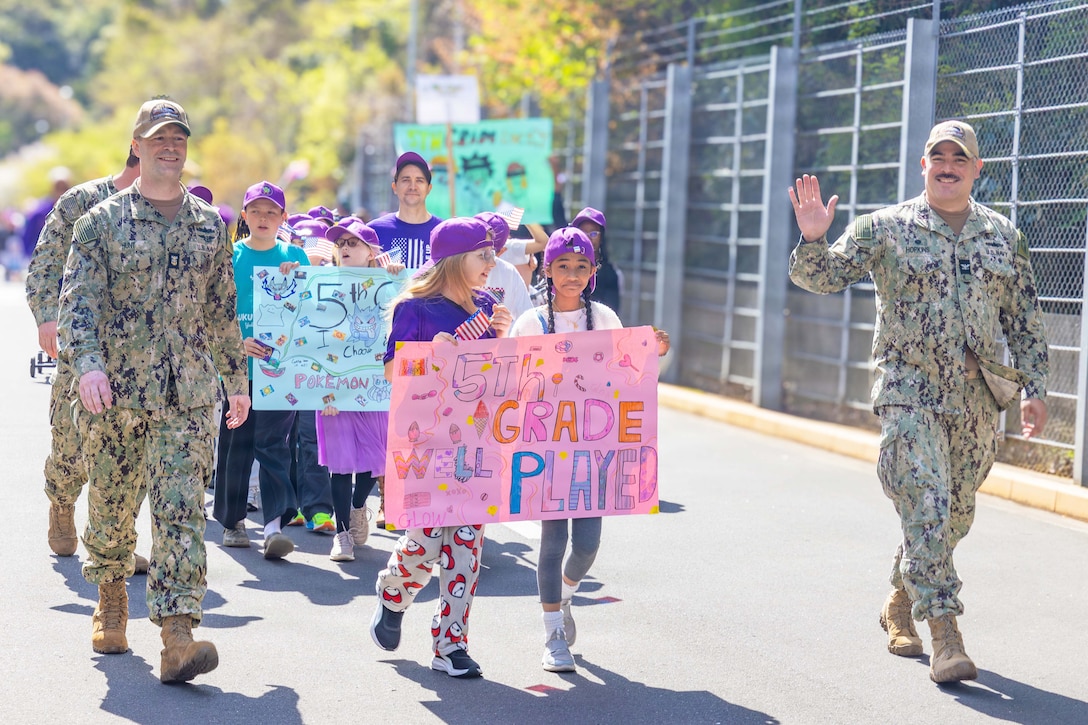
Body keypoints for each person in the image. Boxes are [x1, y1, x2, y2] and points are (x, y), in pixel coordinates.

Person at [787, 120, 1049, 684]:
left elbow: (1024, 320)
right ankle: (946, 633)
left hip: (978, 399)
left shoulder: (1005, 236)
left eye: (960, 157)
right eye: (938, 156)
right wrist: (813, 237)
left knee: (953, 515)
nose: (948, 164)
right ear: (923, 165)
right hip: (908, 392)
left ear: (977, 169)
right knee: (926, 503)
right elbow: (823, 278)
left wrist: (1034, 390)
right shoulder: (886, 228)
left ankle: (899, 602)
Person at [58, 98, 250, 683]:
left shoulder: (207, 226)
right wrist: (88, 365)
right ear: (136, 145)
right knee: (113, 507)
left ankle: (177, 635)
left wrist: (235, 380)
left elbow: (221, 310)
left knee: (182, 512)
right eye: (158, 137)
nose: (170, 147)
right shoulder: (100, 222)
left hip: (188, 396)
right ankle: (111, 596)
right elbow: (78, 304)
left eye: (179, 139)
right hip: (115, 395)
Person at [509, 227, 670, 672]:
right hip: (546, 449)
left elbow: (627, 376)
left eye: (582, 267)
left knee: (587, 544)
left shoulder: (605, 319)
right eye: (563, 266)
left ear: (593, 272)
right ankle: (552, 636)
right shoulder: (530, 323)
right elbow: (510, 383)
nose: (572, 275)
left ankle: (565, 597)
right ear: (548, 270)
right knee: (552, 539)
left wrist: (650, 353)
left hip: (593, 451)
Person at [370, 217, 512, 679]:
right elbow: (394, 375)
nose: (492, 263)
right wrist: (434, 352)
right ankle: (393, 591)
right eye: (482, 254)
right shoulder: (415, 307)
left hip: (478, 448)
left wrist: (505, 339)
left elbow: (501, 377)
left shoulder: (491, 308)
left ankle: (450, 645)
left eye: (492, 254)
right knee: (426, 541)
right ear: (454, 259)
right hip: (427, 446)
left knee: (467, 549)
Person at [25, 148, 145, 570]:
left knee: (135, 459)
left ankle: (117, 540)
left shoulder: (172, 211)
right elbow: (44, 265)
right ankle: (61, 500)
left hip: (143, 359)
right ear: (137, 149)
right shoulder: (81, 202)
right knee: (70, 446)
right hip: (81, 347)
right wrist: (45, 318)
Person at [213, 181, 311, 556]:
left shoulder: (295, 258)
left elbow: (311, 312)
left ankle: (273, 527)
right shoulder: (229, 257)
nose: (264, 218)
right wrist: (237, 344)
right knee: (236, 445)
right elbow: (214, 311)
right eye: (256, 210)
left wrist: (297, 277)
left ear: (284, 218)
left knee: (274, 446)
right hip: (237, 370)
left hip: (280, 370)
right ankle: (234, 522)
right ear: (244, 215)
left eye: (272, 212)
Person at [317, 219, 405, 561]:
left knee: (377, 457)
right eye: (341, 243)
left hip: (375, 389)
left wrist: (398, 277)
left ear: (372, 252)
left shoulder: (390, 284)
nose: (345, 247)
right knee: (339, 465)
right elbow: (308, 340)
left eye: (354, 242)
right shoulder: (320, 282)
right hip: (332, 390)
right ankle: (342, 536)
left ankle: (357, 507)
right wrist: (292, 270)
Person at [369, 152, 443, 270]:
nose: (412, 186)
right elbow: (361, 279)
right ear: (394, 187)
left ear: (429, 188)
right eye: (405, 180)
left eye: (419, 180)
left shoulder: (443, 231)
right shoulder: (373, 232)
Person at [474, 211, 534, 323]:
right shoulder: (453, 271)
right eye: (480, 253)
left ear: (502, 251)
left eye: (490, 253)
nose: (489, 262)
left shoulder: (509, 272)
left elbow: (528, 320)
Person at [569, 207, 622, 315]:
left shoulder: (610, 274)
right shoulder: (562, 265)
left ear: (602, 237)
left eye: (593, 234)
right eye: (582, 233)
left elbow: (610, 313)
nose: (587, 238)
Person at [21, 166, 72, 261]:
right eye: (58, 188)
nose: (61, 192)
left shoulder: (77, 210)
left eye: (64, 188)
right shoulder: (40, 212)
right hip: (46, 265)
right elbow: (27, 238)